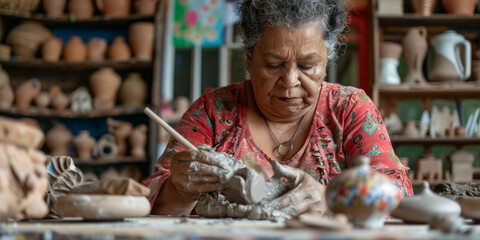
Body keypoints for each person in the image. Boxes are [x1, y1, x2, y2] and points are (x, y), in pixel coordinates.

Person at [143, 0, 413, 216]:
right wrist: (179, 190)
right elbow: (152, 204)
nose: (290, 81)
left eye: (307, 66)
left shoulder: (350, 109)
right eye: (273, 65)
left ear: (326, 59)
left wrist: (331, 201)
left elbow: (401, 197)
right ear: (249, 60)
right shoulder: (213, 111)